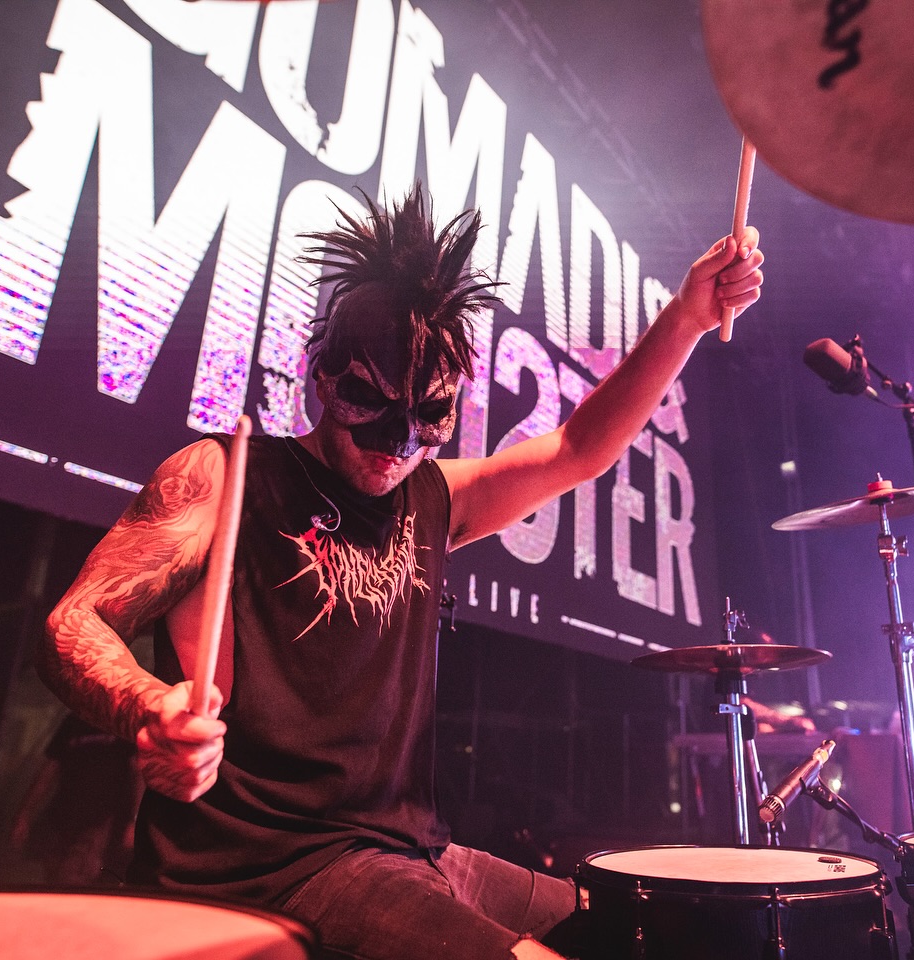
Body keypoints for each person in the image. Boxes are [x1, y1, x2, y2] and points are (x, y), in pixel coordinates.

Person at [39, 188, 763, 960]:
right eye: (370, 402)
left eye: (429, 416)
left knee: (646, 928)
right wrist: (151, 706)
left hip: (415, 855)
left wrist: (686, 319)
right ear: (322, 377)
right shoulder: (225, 475)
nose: (397, 442)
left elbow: (576, 450)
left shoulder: (435, 497)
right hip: (270, 869)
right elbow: (74, 622)